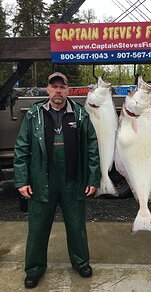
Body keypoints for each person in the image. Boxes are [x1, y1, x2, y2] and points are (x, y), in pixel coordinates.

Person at [14, 72, 100, 289]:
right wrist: (22, 180)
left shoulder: (80, 114)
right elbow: (21, 148)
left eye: (62, 87)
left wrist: (93, 177)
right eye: (54, 87)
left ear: (68, 90)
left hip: (73, 181)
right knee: (38, 228)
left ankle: (81, 262)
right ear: (48, 89)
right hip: (42, 180)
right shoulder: (34, 114)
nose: (58, 91)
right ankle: (34, 269)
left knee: (76, 225)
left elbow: (92, 148)